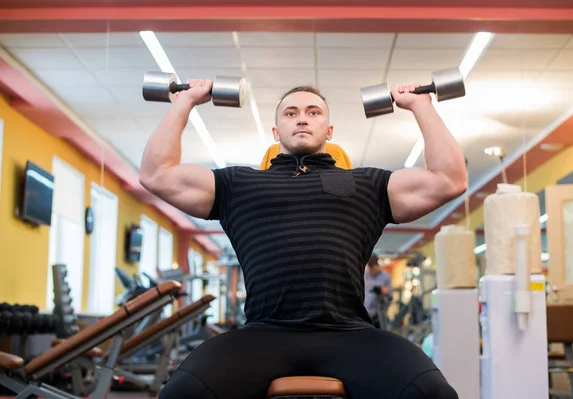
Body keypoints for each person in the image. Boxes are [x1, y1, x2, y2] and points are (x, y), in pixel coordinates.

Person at [139, 78, 467, 399]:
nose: (302, 118)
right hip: (263, 335)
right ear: (275, 131)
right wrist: (184, 101)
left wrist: (421, 105)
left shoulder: (367, 185)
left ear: (330, 130)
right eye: (291, 113)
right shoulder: (237, 185)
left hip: (350, 335)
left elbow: (449, 180)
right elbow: (157, 174)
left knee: (432, 392)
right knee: (182, 392)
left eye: (313, 112)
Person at [364, 255, 393, 329]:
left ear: (377, 266)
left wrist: (385, 291)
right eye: (370, 269)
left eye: (373, 269)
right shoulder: (365, 276)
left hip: (380, 312)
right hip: (366, 312)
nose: (372, 271)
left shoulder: (385, 277)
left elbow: (390, 295)